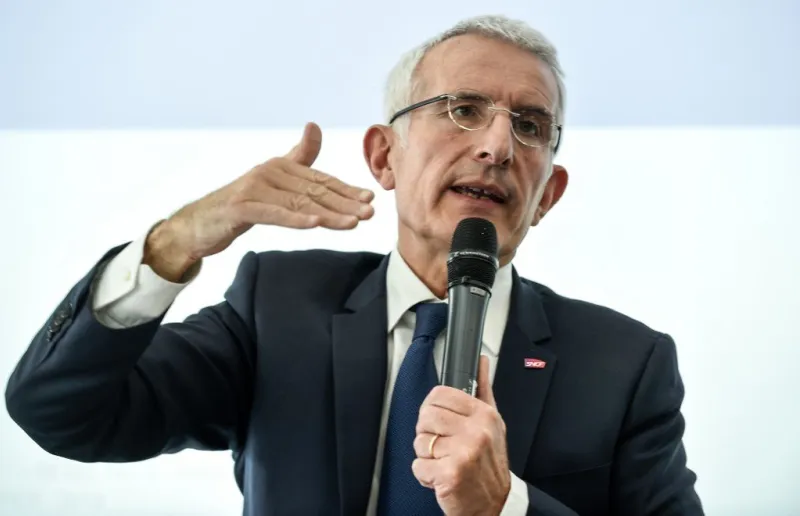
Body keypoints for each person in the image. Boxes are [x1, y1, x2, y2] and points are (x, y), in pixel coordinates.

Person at [4, 14, 703, 516]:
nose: (497, 145)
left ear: (547, 193)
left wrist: (506, 507)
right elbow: (61, 412)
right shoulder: (278, 307)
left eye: (530, 125)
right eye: (463, 108)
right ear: (382, 157)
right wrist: (173, 243)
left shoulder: (627, 365)